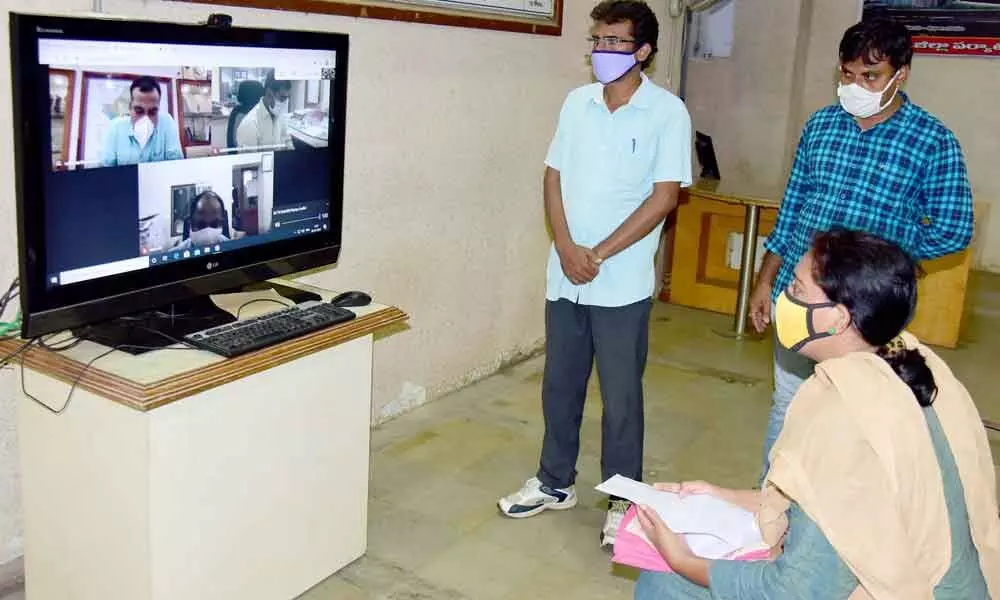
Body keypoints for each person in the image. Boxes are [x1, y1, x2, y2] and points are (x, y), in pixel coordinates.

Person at [633, 229, 999, 599]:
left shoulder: (842, 415)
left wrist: (680, 559)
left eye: (796, 289)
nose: (784, 298)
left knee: (663, 583)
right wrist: (719, 495)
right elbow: (844, 503)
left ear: (839, 319)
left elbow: (794, 591)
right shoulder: (912, 361)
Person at [497, 0, 692, 548]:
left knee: (621, 396)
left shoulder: (666, 113)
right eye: (598, 40)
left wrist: (598, 253)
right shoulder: (576, 103)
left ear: (643, 51)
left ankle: (623, 499)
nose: (602, 51)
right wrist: (563, 244)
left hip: (620, 283)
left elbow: (665, 197)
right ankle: (555, 482)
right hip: (566, 276)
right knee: (560, 386)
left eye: (614, 42)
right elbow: (553, 174)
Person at [747, 17, 974, 475]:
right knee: (788, 404)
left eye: (870, 76)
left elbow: (954, 228)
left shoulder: (932, 142)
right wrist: (764, 280)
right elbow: (792, 210)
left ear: (900, 74)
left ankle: (833, 525)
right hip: (801, 296)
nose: (855, 86)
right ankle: (771, 508)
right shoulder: (821, 127)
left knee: (856, 415)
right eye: (847, 75)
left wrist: (888, 255)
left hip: (865, 308)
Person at [101, 76, 183, 167]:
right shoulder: (115, 127)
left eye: (152, 112)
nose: (145, 119)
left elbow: (176, 165)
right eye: (139, 111)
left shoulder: (167, 123)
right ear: (129, 107)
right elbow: (107, 169)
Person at [236, 70, 293, 150]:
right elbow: (251, 161)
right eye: (283, 97)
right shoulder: (250, 124)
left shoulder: (280, 115)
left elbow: (287, 140)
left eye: (288, 97)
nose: (286, 102)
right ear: (269, 93)